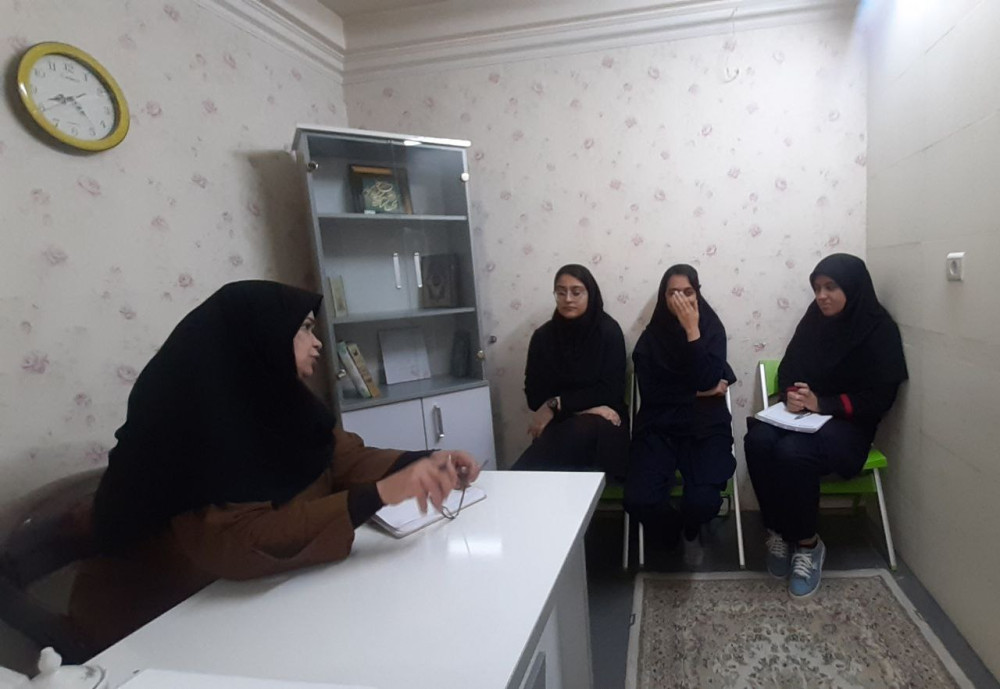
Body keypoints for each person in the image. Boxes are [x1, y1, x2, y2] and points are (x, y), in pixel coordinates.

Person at [70, 280, 481, 647]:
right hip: (157, 626)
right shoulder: (192, 423)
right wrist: (380, 493)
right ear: (255, 337)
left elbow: (342, 457)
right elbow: (242, 541)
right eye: (304, 329)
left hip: (247, 604)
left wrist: (427, 462)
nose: (317, 343)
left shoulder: (277, 398)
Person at [745, 253, 907, 598]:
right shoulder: (814, 320)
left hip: (849, 426)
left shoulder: (878, 329)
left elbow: (881, 397)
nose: (821, 296)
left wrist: (825, 404)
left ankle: (807, 544)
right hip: (804, 417)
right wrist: (793, 396)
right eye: (817, 288)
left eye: (831, 287)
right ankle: (778, 530)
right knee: (758, 439)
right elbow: (790, 369)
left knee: (792, 452)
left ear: (853, 287)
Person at [624, 265, 736, 565]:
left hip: (704, 425)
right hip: (659, 425)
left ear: (698, 294)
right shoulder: (651, 338)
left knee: (703, 503)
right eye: (673, 293)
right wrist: (700, 393)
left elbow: (708, 377)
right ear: (663, 298)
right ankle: (670, 529)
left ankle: (691, 526)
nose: (681, 300)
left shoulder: (711, 329)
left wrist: (692, 331)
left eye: (688, 292)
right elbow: (653, 394)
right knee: (638, 499)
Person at [512, 264, 628, 477]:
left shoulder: (608, 332)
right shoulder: (543, 337)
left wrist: (557, 403)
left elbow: (611, 392)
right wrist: (585, 408)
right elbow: (534, 397)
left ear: (590, 294)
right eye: (561, 292)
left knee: (579, 428)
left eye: (576, 292)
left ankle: (515, 479)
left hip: (605, 426)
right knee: (566, 435)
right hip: (561, 426)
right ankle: (517, 482)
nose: (568, 299)